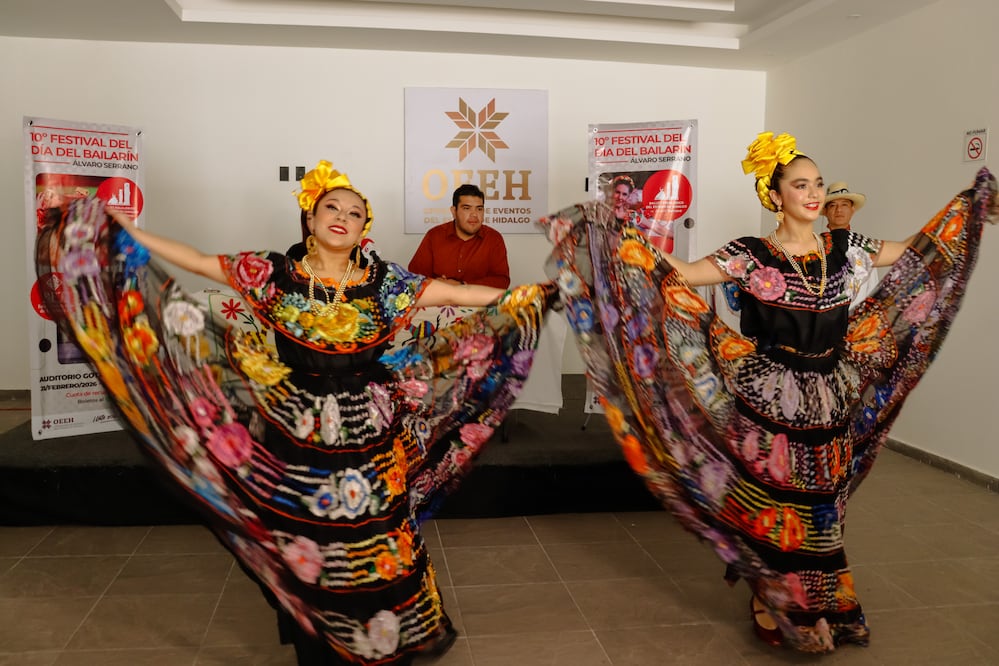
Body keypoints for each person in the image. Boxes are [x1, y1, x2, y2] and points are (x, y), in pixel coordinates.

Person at [36, 160, 557, 665]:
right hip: (295, 422)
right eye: (332, 206)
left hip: (366, 428)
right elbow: (195, 260)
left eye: (355, 213)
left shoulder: (386, 283)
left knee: (375, 535)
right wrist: (128, 230)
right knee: (307, 535)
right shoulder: (274, 273)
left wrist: (534, 294)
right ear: (310, 217)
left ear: (362, 229)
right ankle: (321, 635)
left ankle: (384, 635)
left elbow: (461, 294)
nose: (342, 217)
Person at [545, 131, 995, 653]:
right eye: (801, 185)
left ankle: (823, 598)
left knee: (824, 505)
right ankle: (771, 597)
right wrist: (620, 239)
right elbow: (685, 275)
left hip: (831, 392)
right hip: (770, 394)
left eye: (819, 184)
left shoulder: (848, 248)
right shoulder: (750, 254)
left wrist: (969, 210)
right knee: (777, 504)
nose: (814, 194)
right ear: (774, 195)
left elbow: (919, 253)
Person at [408, 184, 510, 288]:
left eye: (479, 209)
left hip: (478, 303)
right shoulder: (434, 236)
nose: (474, 214)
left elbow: (502, 281)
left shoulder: (493, 238)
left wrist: (462, 286)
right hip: (439, 301)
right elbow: (414, 278)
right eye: (467, 208)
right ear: (454, 211)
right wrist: (437, 284)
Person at [823, 181, 879, 306]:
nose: (839, 210)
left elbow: (872, 290)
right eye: (833, 205)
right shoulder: (815, 248)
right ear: (826, 211)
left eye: (844, 205)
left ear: (852, 210)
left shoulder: (865, 248)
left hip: (857, 320)